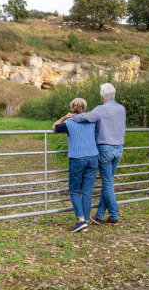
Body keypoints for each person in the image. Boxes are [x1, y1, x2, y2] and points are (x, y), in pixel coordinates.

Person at [69, 83, 126, 225]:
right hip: (118, 148)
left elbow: (85, 118)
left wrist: (72, 117)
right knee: (108, 182)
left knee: (107, 183)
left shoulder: (101, 109)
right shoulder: (121, 109)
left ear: (102, 96)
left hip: (105, 149)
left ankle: (114, 215)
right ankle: (100, 215)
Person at [52, 98, 99, 233]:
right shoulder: (91, 120)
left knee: (74, 190)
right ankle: (86, 219)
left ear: (72, 109)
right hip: (93, 157)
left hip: (77, 158)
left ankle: (81, 220)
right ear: (84, 108)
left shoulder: (69, 123)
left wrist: (64, 117)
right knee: (87, 190)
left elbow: (54, 126)